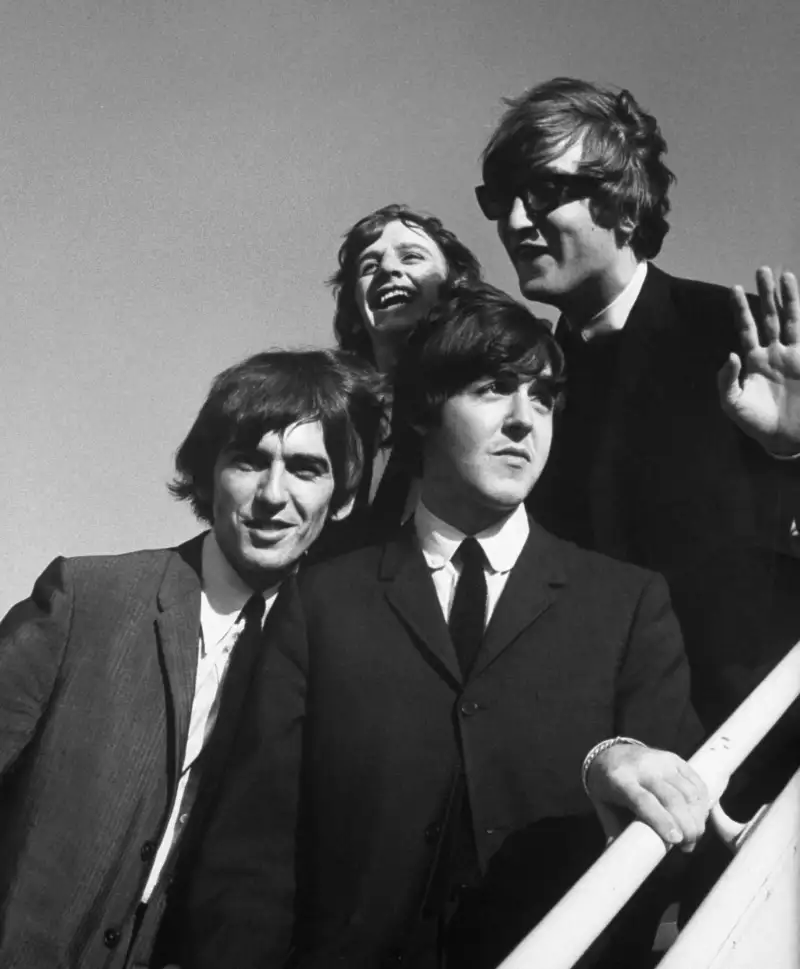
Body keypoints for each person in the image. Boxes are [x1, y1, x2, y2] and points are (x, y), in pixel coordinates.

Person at [183, 285, 710, 969]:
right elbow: (250, 857)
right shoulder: (320, 602)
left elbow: (687, 846)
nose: (526, 420)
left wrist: (611, 759)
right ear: (424, 409)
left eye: (544, 397)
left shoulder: (630, 603)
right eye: (495, 389)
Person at [476, 76, 800, 812]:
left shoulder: (739, 338)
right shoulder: (519, 393)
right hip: (597, 794)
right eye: (500, 198)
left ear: (623, 205)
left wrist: (793, 454)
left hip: (764, 782)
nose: (517, 221)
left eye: (543, 191)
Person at [0, 349, 381, 969]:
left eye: (307, 469)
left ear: (340, 498)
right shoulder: (86, 600)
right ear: (206, 475)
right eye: (250, 461)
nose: (272, 495)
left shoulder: (343, 661)